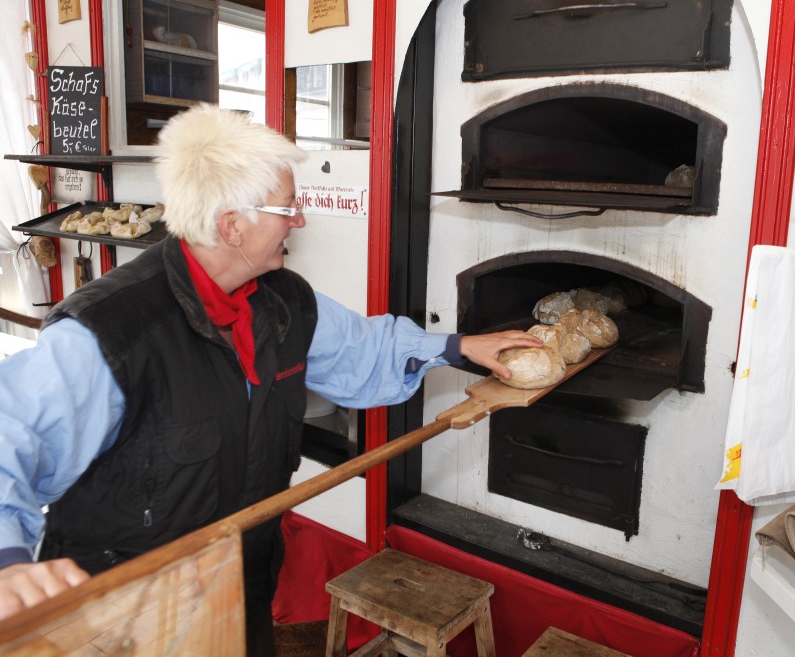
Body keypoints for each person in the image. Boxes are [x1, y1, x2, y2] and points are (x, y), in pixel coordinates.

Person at [0, 104, 540, 654]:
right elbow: (6, 438)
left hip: (241, 590)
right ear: (231, 225)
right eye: (287, 207)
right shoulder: (112, 332)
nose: (298, 221)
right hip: (117, 617)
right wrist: (8, 566)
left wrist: (458, 347)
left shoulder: (283, 300)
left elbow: (362, 349)